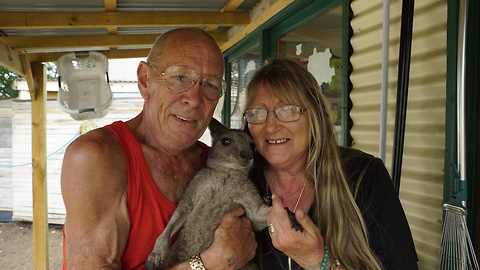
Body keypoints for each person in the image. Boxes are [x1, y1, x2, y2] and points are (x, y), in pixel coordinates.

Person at [60, 28, 257, 270]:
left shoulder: (217, 162)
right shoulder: (96, 156)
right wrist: (206, 264)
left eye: (210, 84)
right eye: (180, 77)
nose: (194, 98)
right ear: (145, 81)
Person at [243, 59, 418, 269]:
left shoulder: (362, 176)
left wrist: (317, 261)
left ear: (315, 115)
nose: (271, 126)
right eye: (257, 113)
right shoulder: (241, 183)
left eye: (287, 110)